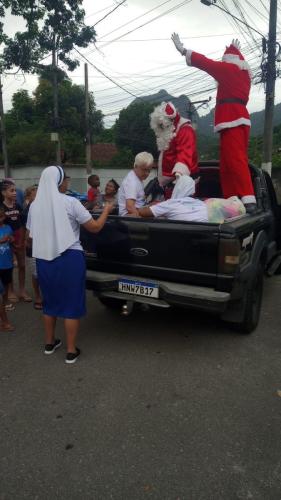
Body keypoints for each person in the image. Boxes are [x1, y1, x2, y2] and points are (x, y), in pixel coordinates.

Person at [26, 166, 113, 364]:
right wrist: (107, 209)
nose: (68, 182)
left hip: (45, 258)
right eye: (66, 179)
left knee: (50, 301)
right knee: (71, 302)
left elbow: (31, 236)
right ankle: (71, 350)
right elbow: (95, 227)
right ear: (58, 182)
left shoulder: (34, 205)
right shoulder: (71, 202)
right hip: (70, 257)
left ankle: (49, 343)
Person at [171, 33, 257, 214]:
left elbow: (206, 63)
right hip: (237, 118)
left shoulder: (228, 70)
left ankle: (248, 197)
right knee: (227, 163)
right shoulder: (243, 75)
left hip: (231, 118)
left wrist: (184, 51)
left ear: (228, 60)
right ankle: (232, 197)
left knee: (235, 160)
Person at [150, 101, 199, 190]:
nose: (161, 128)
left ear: (171, 121)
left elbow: (185, 154)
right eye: (159, 125)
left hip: (183, 180)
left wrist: (179, 174)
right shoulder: (169, 133)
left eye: (162, 125)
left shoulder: (185, 130)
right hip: (170, 182)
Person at [0, 180, 31, 303]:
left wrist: (23, 240)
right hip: (7, 241)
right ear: (3, 192)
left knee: (22, 265)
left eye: (15, 190)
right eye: (11, 190)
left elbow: (22, 224)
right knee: (10, 266)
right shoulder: (1, 207)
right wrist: (9, 240)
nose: (14, 193)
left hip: (19, 239)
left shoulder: (18, 206)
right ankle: (11, 291)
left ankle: (22, 290)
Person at [138, 175, 208, 222]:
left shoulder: (171, 204)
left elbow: (142, 212)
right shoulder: (203, 205)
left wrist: (152, 205)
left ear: (177, 188)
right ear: (192, 190)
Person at [23, 185, 42, 310]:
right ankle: (38, 297)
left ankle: (43, 296)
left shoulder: (42, 207)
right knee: (36, 274)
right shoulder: (28, 209)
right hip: (33, 246)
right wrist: (27, 241)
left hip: (43, 245)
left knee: (43, 272)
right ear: (29, 197)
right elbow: (27, 229)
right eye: (35, 194)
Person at [118, 152, 154, 216]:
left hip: (136, 211)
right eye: (144, 170)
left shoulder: (137, 178)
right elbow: (130, 207)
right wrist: (141, 219)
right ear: (136, 166)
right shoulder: (132, 182)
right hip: (128, 216)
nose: (147, 173)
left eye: (149, 170)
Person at [0, 206, 15, 325]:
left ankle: (4, 304)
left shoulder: (8, 227)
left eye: (1, 216)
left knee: (5, 286)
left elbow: (12, 240)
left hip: (7, 263)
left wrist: (11, 239)